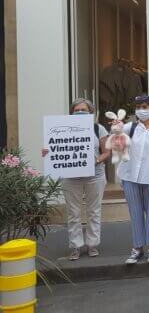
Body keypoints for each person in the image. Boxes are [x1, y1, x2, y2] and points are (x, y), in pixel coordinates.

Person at [42, 98, 110, 260]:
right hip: (71, 178)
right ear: (71, 113)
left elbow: (106, 152)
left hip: (95, 176)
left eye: (83, 110)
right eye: (77, 110)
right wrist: (47, 155)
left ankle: (92, 244)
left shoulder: (97, 129)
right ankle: (76, 246)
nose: (80, 112)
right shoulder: (61, 129)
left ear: (91, 112)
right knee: (73, 213)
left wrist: (96, 160)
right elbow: (52, 149)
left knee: (94, 211)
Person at [116, 94, 149, 265]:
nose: (142, 110)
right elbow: (116, 136)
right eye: (139, 107)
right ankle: (137, 248)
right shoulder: (130, 128)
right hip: (130, 176)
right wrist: (116, 128)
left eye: (145, 107)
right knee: (135, 213)